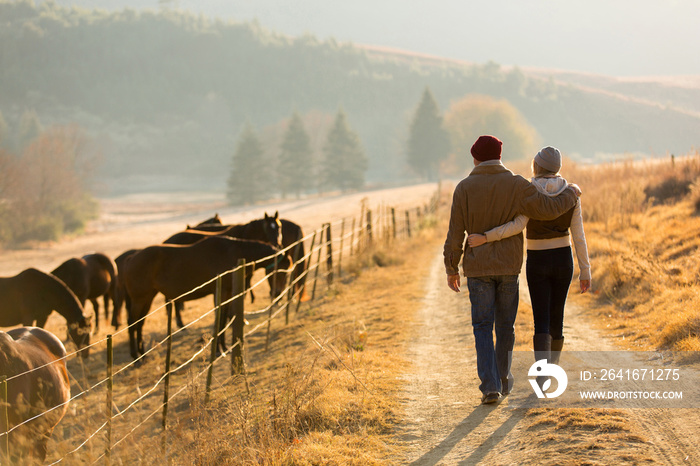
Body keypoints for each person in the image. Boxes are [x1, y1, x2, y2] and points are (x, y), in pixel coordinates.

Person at [443, 135, 580, 405]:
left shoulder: (464, 188)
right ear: (500, 156)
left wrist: (451, 267)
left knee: (482, 326)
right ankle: (503, 378)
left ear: (475, 158)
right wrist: (570, 192)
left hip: (478, 267)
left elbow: (455, 232)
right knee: (506, 325)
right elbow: (548, 209)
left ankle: (490, 386)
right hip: (509, 266)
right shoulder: (516, 184)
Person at [467, 146, 591, 371]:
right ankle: (553, 369)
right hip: (563, 258)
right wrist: (585, 270)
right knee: (557, 315)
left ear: (537, 165)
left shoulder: (529, 190)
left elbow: (516, 226)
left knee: (540, 318)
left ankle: (543, 374)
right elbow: (579, 235)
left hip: (538, 260)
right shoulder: (571, 193)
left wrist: (487, 237)